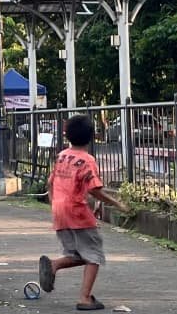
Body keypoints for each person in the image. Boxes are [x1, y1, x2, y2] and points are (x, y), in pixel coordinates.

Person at [37, 114, 128, 311]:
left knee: (78, 254)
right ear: (92, 136)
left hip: (60, 212)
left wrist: (54, 204)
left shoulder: (62, 156)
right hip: (77, 212)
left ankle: (54, 265)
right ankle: (85, 298)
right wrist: (117, 203)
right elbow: (94, 189)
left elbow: (50, 182)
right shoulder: (86, 160)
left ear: (67, 135)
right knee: (94, 255)